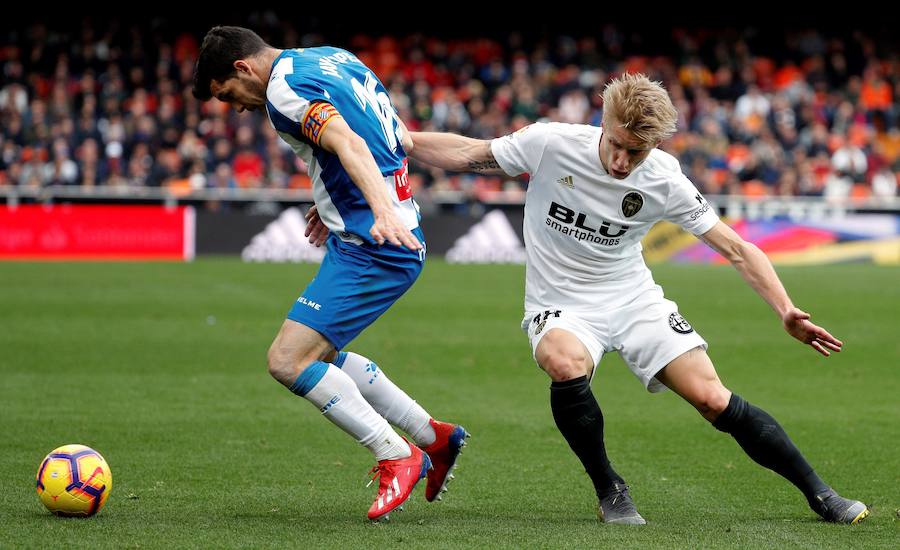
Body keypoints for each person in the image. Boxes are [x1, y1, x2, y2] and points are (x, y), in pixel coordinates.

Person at [406, 73, 868, 525]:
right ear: (603, 124)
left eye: (637, 152)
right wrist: (403, 142)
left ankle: (820, 493)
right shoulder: (550, 142)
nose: (623, 162)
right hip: (561, 302)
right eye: (617, 145)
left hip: (632, 298)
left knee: (711, 397)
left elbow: (737, 248)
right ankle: (610, 488)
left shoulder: (665, 177)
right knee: (564, 364)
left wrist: (785, 309)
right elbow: (471, 154)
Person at [191, 26, 468, 522]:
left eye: (226, 94)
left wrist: (378, 208)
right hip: (369, 234)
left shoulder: (283, 90)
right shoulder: (330, 58)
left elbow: (347, 142)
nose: (234, 107)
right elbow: (389, 135)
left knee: (287, 360)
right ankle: (435, 437)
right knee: (322, 356)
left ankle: (397, 454)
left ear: (242, 68)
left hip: (376, 245)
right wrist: (334, 199)